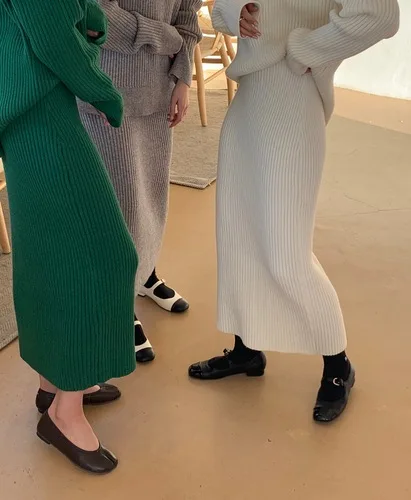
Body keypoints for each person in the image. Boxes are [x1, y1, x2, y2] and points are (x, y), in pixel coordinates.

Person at [189, 0, 400, 422]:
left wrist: (308, 49)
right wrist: (237, 12)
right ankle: (247, 349)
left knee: (287, 252)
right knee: (238, 234)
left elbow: (380, 14)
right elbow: (222, 14)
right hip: (249, 99)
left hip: (293, 96)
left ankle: (338, 365)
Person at [0, 0, 138, 473]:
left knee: (48, 251)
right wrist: (104, 91)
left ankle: (54, 380)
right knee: (104, 254)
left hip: (25, 105)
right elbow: (56, 35)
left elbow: (73, 15)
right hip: (37, 109)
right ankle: (65, 412)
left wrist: (90, 24)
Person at [79, 0, 202, 363]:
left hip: (159, 89)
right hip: (106, 91)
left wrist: (183, 77)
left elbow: (187, 15)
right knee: (120, 206)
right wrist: (166, 38)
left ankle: (145, 272)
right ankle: (119, 301)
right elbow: (96, 17)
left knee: (152, 195)